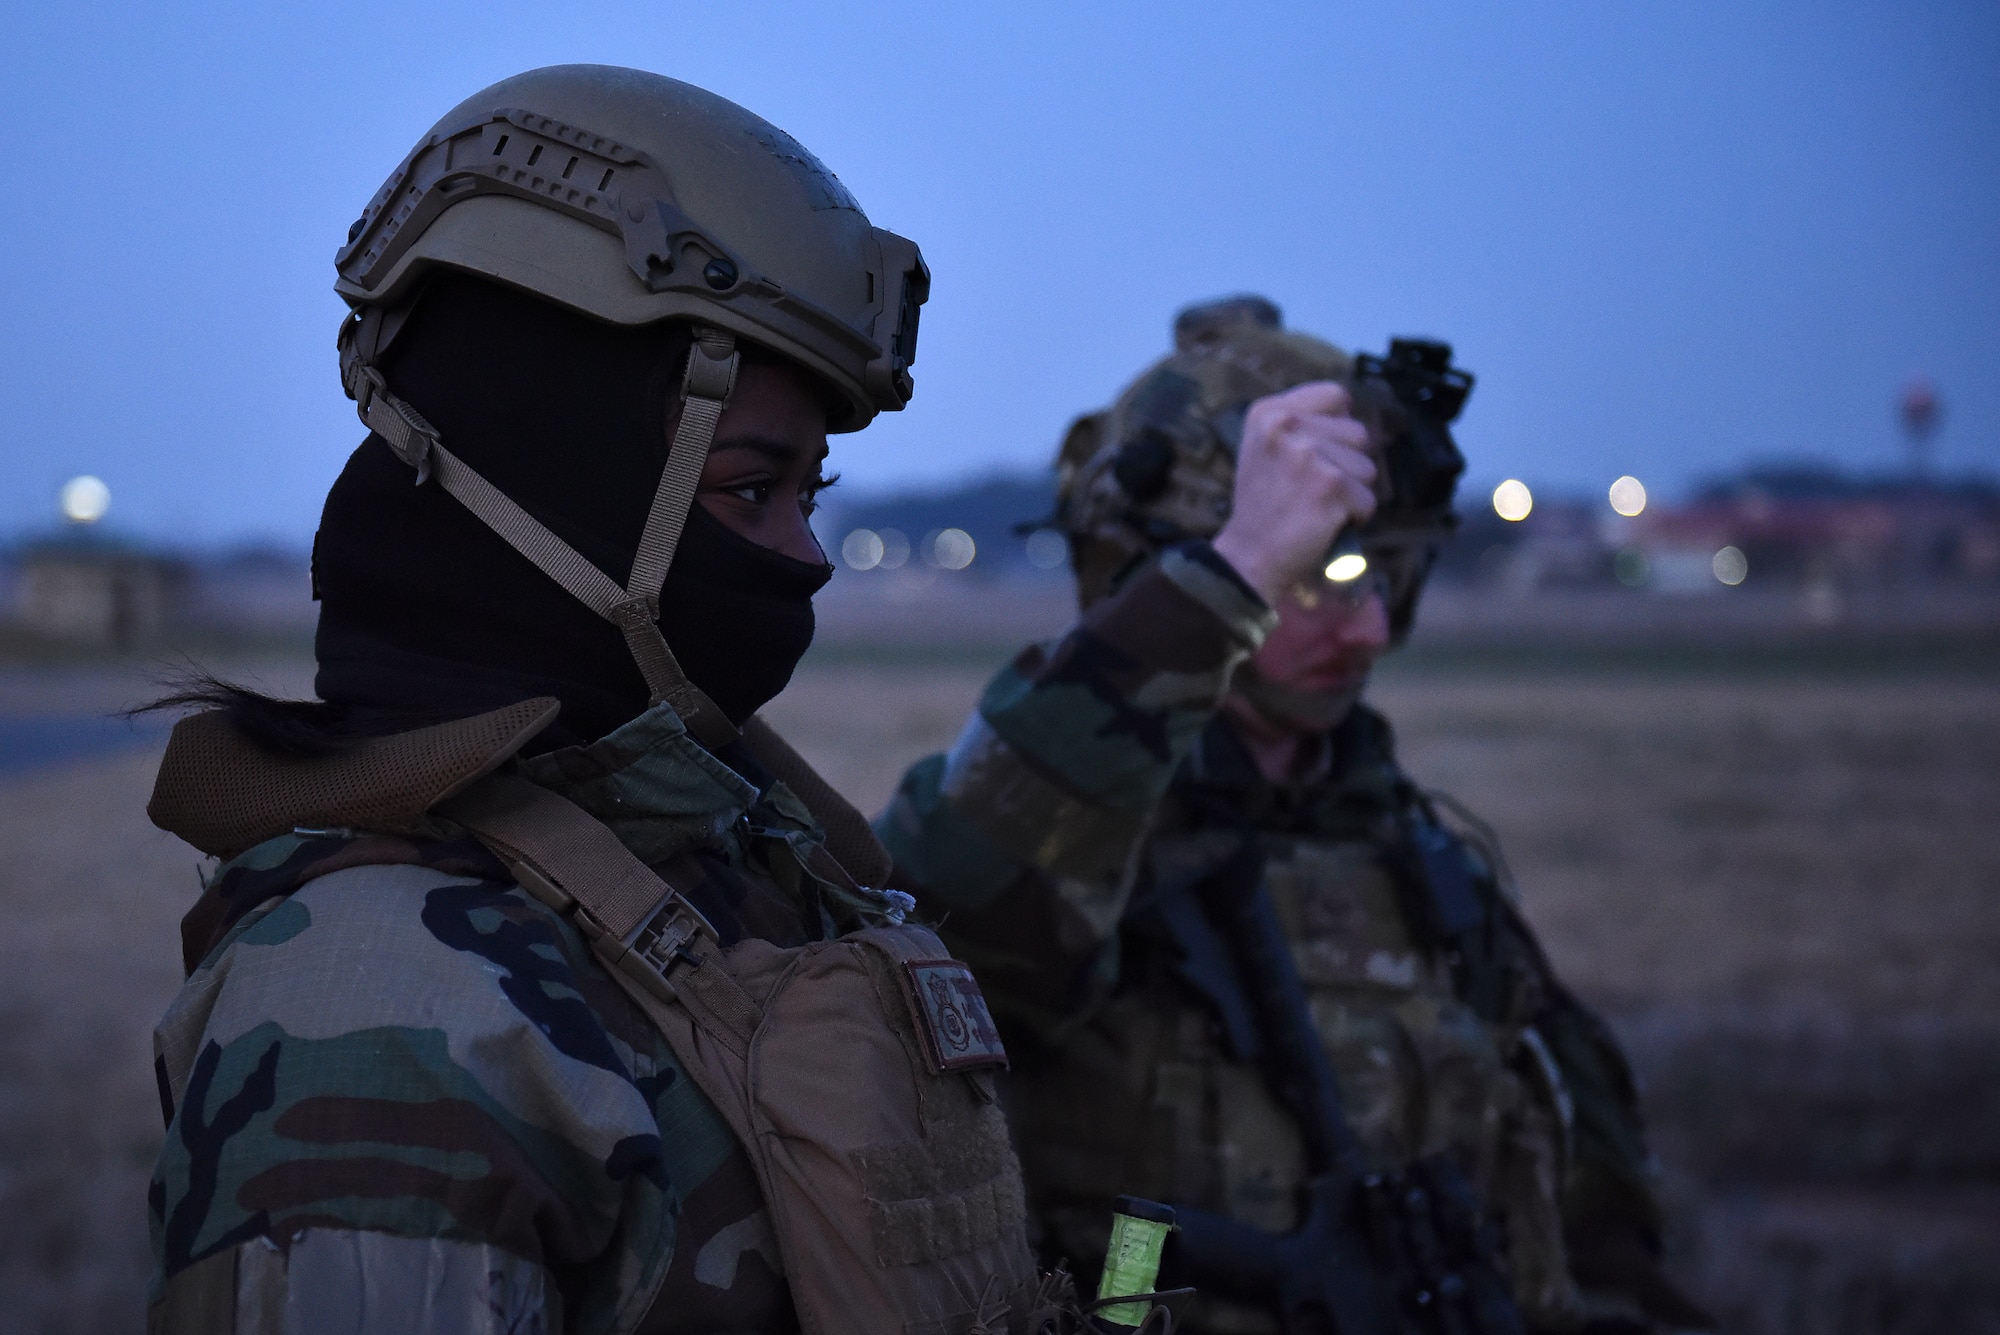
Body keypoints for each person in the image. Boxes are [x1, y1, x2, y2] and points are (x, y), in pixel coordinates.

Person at [142, 66, 1046, 1334]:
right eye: (748, 489)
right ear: (556, 493)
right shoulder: (379, 1003)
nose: (806, 553)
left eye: (813, 495)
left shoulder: (736, 849)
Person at [875, 297, 1715, 1334]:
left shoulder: (1424, 866)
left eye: (1387, 578)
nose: (1364, 631)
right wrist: (1224, 587)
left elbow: (1588, 1225)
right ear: (1162, 571)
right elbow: (960, 916)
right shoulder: (1057, 825)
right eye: (1317, 576)